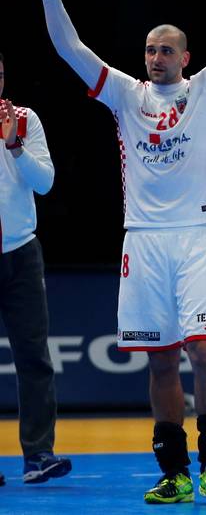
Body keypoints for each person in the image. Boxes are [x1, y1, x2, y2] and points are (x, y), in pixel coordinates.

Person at [32, 0, 206, 505]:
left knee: (204, 352)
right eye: (150, 50)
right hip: (143, 242)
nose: (154, 58)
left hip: (199, 237)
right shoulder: (126, 94)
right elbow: (69, 47)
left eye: (165, 51)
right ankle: (174, 470)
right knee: (159, 361)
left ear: (185, 57)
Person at [0, 53, 71, 486]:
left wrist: (15, 146)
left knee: (34, 357)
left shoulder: (25, 119)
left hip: (22, 253)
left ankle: (38, 455)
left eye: (0, 75)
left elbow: (45, 182)